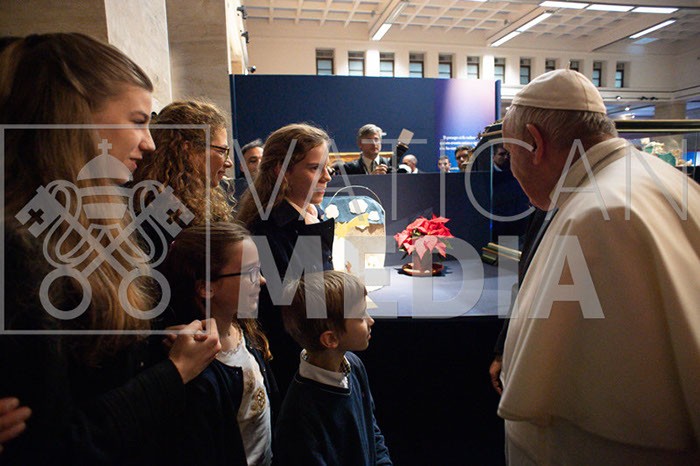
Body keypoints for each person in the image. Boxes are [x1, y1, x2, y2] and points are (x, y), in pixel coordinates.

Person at [0, 33, 220, 464]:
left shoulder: (83, 219)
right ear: (75, 120)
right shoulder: (21, 246)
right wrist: (174, 372)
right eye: (137, 121)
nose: (149, 142)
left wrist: (158, 348)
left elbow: (95, 365)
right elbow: (57, 443)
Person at [499, 68, 700, 463]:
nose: (512, 167)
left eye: (510, 151)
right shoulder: (671, 181)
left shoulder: (596, 214)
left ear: (535, 143)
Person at [163, 222, 278, 466]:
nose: (262, 280)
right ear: (206, 287)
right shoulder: (198, 373)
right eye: (250, 272)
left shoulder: (244, 330)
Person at [236, 123, 334, 394]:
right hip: (293, 370)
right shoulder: (265, 229)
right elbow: (303, 309)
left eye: (327, 167)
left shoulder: (307, 215)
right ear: (282, 171)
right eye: (315, 168)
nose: (327, 177)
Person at [275, 270, 392, 465]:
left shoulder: (354, 366)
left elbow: (372, 433)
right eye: (361, 316)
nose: (371, 321)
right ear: (330, 339)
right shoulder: (299, 416)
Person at [131, 100, 234, 261]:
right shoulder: (158, 212)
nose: (229, 162)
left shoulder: (194, 203)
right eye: (221, 151)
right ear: (188, 150)